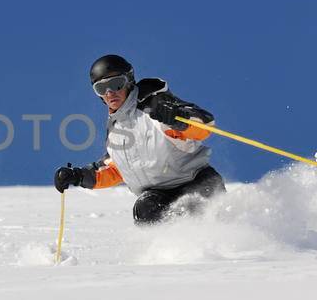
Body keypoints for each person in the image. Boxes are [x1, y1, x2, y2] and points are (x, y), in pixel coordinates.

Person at [53, 54, 226, 225]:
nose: (109, 92)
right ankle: (173, 251)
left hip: (196, 182)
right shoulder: (115, 131)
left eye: (115, 83)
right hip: (158, 196)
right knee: (145, 210)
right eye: (101, 88)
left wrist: (178, 117)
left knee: (196, 211)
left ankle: (220, 238)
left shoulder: (156, 106)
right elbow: (115, 169)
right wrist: (78, 176)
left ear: (128, 81)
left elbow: (205, 125)